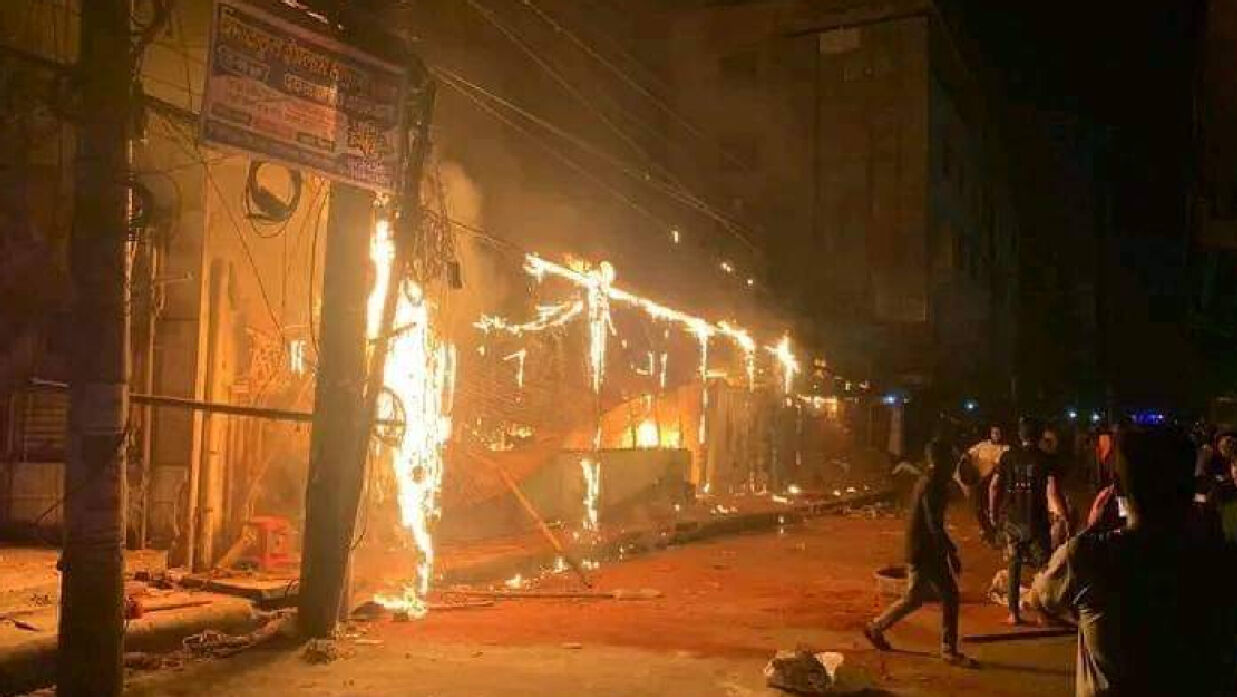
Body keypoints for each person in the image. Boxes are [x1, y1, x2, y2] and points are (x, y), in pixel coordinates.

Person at [1033, 428, 1237, 697]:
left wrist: (1090, 530)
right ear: (1189, 485)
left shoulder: (1088, 556)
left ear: (1117, 487)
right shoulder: (1217, 559)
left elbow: (1042, 604)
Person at [864, 440, 977, 668]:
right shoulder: (932, 484)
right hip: (926, 550)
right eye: (950, 459)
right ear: (941, 460)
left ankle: (877, 627)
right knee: (949, 596)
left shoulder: (929, 481)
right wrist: (950, 552)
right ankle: (949, 650)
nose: (953, 463)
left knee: (915, 598)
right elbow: (933, 524)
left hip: (921, 548)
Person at [989, 416, 1067, 625]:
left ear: (1020, 435)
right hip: (1036, 520)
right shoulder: (1046, 460)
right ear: (1039, 436)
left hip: (1012, 520)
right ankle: (1044, 612)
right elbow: (1053, 492)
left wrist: (993, 513)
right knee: (1044, 567)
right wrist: (1064, 516)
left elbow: (994, 486)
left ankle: (1013, 614)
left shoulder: (1007, 457)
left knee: (1014, 565)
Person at [960, 425, 1008, 543]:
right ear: (990, 433)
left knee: (995, 509)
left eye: (998, 433)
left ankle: (994, 531)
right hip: (981, 482)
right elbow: (968, 455)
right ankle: (986, 531)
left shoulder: (1005, 449)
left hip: (997, 484)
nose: (996, 435)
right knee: (980, 508)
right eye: (994, 432)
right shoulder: (982, 446)